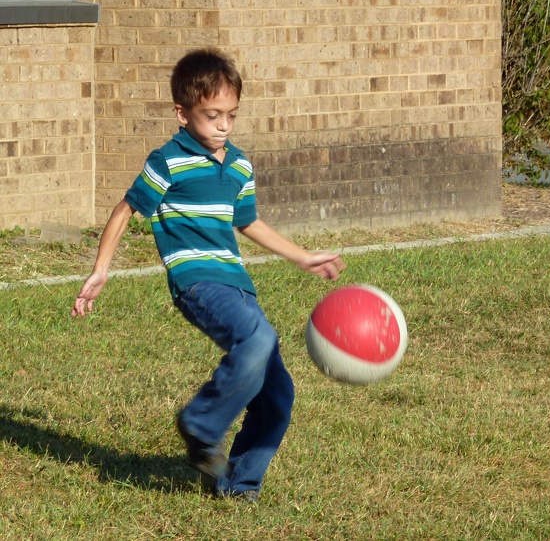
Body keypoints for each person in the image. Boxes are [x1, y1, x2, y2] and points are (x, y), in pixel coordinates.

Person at [71, 47, 345, 502]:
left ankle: (238, 486)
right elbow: (126, 210)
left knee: (278, 395)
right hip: (196, 281)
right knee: (257, 341)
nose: (222, 125)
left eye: (231, 115)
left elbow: (247, 221)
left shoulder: (238, 164)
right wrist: (102, 270)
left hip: (238, 286)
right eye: (211, 114)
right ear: (182, 113)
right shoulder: (168, 160)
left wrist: (301, 256)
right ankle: (201, 423)